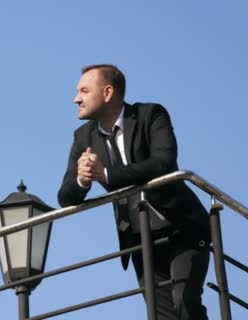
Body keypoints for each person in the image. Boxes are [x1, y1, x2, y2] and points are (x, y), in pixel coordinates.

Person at [57, 64, 211, 320]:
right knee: (160, 316)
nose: (76, 99)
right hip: (139, 241)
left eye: (84, 90)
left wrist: (106, 175)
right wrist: (83, 180)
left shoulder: (151, 114)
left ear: (107, 92)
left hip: (183, 230)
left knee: (185, 304)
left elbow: (164, 162)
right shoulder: (82, 137)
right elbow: (65, 196)